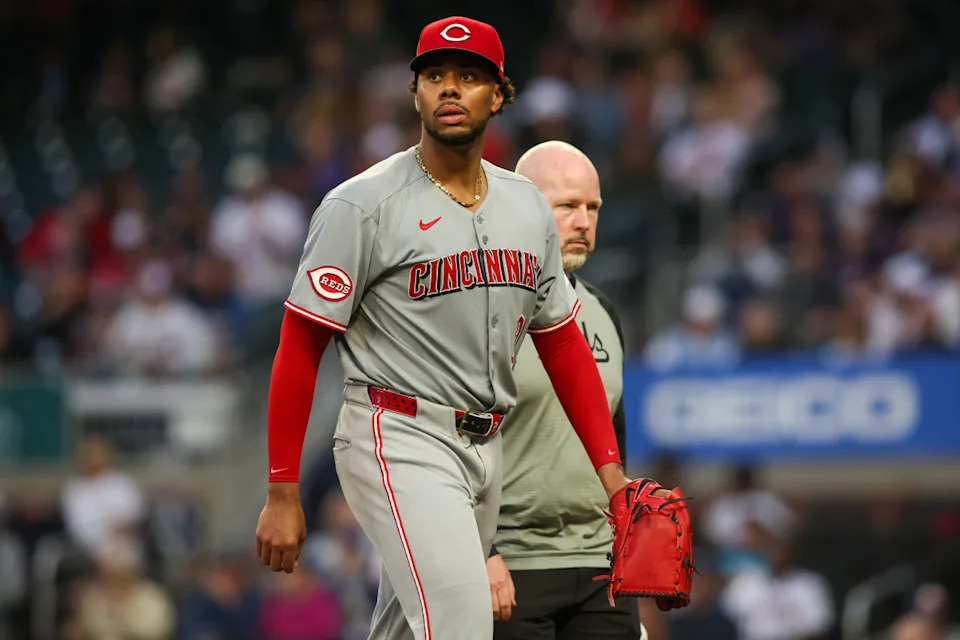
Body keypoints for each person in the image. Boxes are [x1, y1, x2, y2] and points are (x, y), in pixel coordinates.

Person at [254, 15, 667, 640]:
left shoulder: (523, 204)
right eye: (435, 75)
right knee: (461, 623)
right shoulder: (361, 204)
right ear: (415, 92)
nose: (450, 87)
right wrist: (283, 489)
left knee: (407, 624)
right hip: (396, 431)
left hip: (484, 446)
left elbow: (563, 345)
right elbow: (300, 345)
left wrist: (613, 479)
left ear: (498, 96)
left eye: (469, 76)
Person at [486, 141, 664, 639]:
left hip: (599, 568)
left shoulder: (604, 311)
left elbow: (613, 440)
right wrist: (481, 551)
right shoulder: (483, 310)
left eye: (593, 207)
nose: (584, 222)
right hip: (510, 567)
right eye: (566, 206)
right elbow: (450, 444)